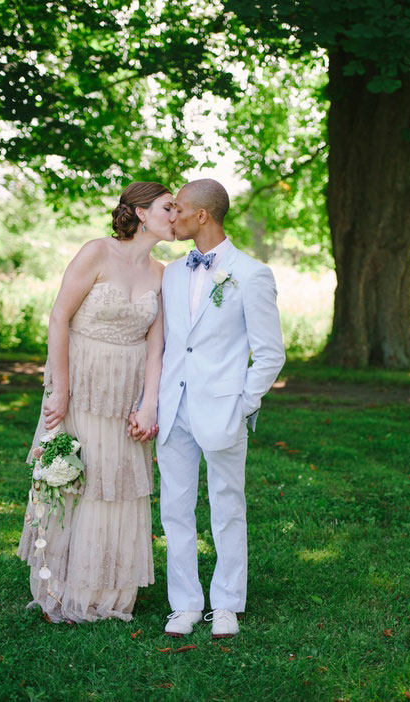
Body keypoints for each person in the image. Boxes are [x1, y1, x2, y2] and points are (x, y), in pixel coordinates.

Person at [134, 178, 285, 638]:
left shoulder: (251, 274)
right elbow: (169, 345)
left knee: (227, 505)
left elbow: (270, 352)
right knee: (175, 508)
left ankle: (226, 604)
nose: (171, 215)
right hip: (174, 407)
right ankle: (184, 603)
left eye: (177, 208)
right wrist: (155, 403)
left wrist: (242, 404)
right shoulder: (172, 274)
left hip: (223, 410)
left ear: (202, 215)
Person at [18, 182, 173, 623]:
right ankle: (64, 588)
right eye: (168, 207)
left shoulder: (162, 273)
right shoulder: (96, 253)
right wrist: (60, 389)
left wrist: (149, 405)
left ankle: (109, 590)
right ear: (141, 213)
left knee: (119, 483)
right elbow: (59, 317)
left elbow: (156, 345)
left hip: (128, 390)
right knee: (79, 480)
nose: (175, 215)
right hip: (83, 381)